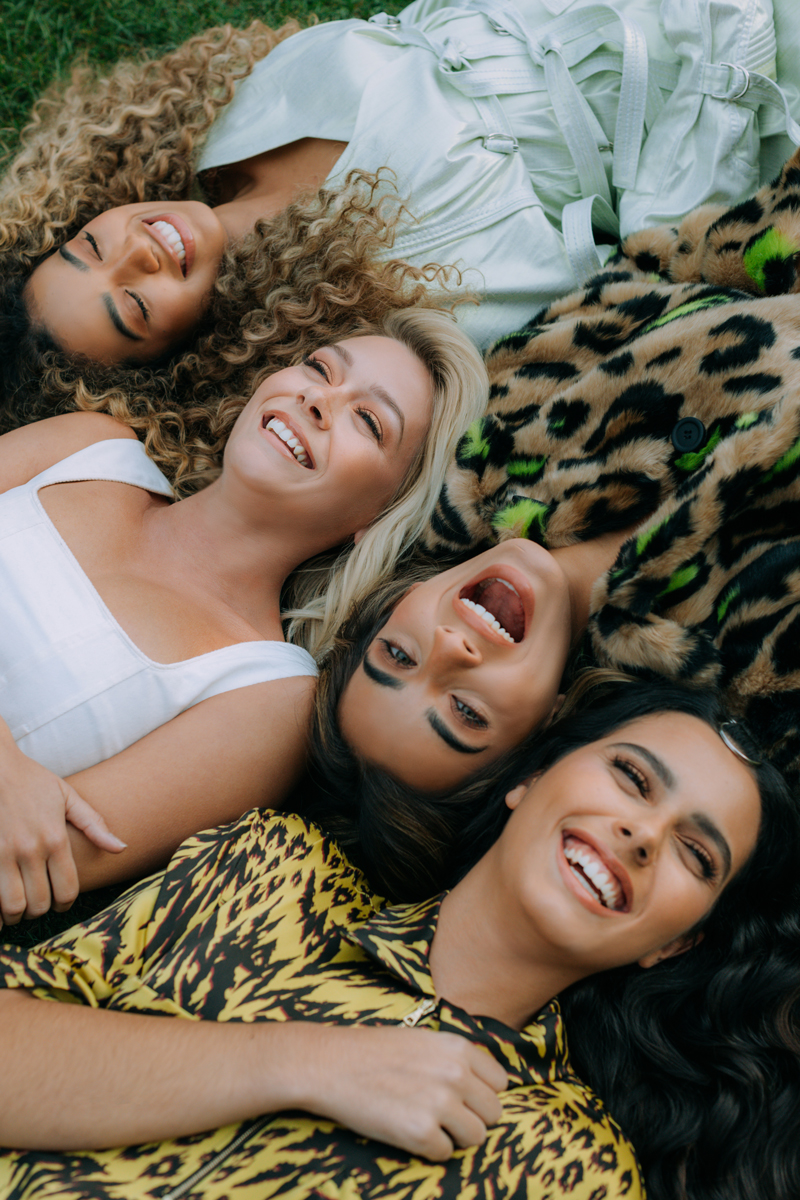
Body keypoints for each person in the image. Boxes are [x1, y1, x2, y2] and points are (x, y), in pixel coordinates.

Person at [1, 680, 797, 1200]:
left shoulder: (573, 1169)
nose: (642, 833)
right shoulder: (271, 870)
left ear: (677, 946)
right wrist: (302, 1062)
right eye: (631, 777)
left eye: (696, 854)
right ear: (530, 780)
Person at [4, 0, 798, 410]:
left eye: (88, 249)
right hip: (725, 57)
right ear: (186, 355)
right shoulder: (391, 295)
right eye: (132, 305)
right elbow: (650, 236)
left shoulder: (223, 128)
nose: (134, 252)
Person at [0, 306, 487, 929]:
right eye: (319, 368)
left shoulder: (267, 696)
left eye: (369, 420)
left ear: (382, 511)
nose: (318, 399)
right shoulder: (88, 445)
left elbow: (32, 866)